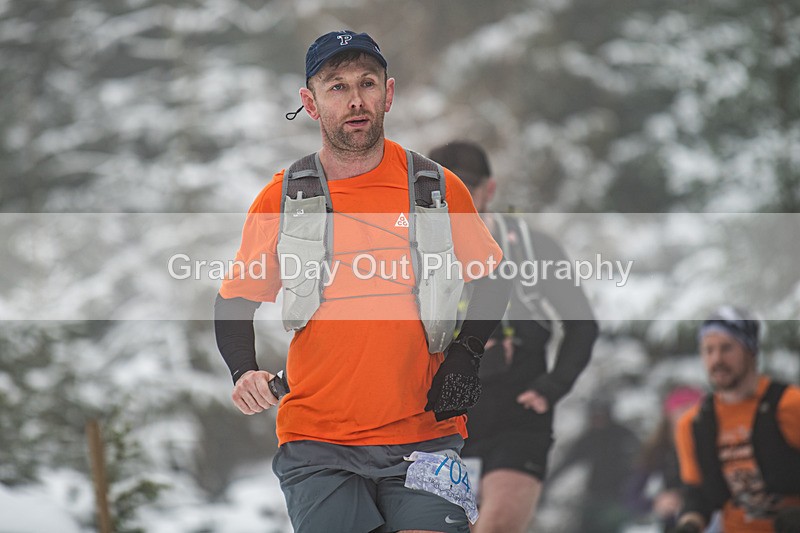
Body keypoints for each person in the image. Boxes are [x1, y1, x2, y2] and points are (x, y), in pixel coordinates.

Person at [213, 31, 512, 533]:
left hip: (425, 437)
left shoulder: (436, 188)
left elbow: (492, 277)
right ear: (310, 102)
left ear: (387, 94)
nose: (355, 99)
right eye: (336, 86)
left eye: (366, 83)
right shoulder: (283, 198)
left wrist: (467, 352)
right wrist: (243, 370)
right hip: (316, 442)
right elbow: (235, 300)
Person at [428, 141, 598, 533]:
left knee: (497, 527)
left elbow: (582, 323)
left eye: (467, 187)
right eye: (444, 188)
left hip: (518, 419)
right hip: (439, 423)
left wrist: (553, 386)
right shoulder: (408, 252)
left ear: (490, 189)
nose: (456, 198)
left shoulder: (532, 248)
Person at [673, 306, 800, 533]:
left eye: (727, 348)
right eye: (708, 350)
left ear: (750, 350)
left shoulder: (788, 404)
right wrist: (688, 524)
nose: (717, 359)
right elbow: (698, 494)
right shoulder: (695, 422)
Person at [545, 396, 641, 533]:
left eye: (601, 415)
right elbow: (567, 462)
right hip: (594, 495)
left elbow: (640, 464)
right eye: (595, 415)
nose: (598, 419)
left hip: (619, 497)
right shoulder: (589, 438)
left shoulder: (624, 436)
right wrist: (547, 483)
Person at [626, 385, 703, 532]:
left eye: (693, 409)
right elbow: (631, 496)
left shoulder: (713, 446)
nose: (688, 415)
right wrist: (656, 503)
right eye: (682, 409)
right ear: (669, 415)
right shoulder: (657, 452)